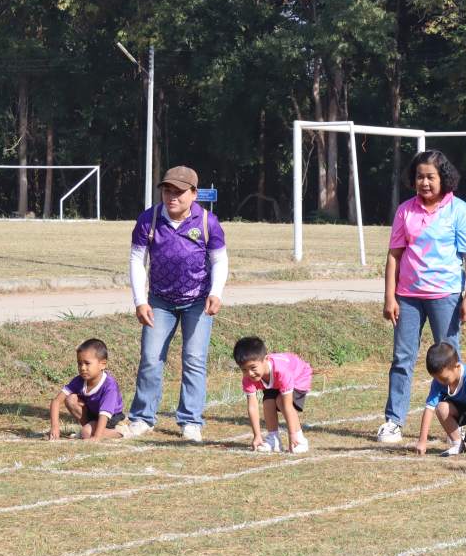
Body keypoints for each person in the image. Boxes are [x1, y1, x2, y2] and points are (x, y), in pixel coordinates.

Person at [377, 150, 466, 444]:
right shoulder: (405, 211)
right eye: (419, 176)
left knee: (450, 361)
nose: (424, 182)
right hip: (407, 297)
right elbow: (394, 256)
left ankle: (455, 425)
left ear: (443, 178)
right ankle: (393, 422)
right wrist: (389, 296)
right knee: (402, 359)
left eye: (430, 176)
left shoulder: (459, 211)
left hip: (445, 297)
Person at [122, 166, 227, 443]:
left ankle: (190, 421)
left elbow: (219, 261)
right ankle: (143, 418)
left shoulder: (208, 221)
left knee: (194, 360)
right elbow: (137, 260)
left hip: (198, 302)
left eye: (179, 192)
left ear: (194, 193)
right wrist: (140, 300)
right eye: (168, 190)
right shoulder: (149, 219)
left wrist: (216, 293)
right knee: (151, 358)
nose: (172, 197)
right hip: (159, 301)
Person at [233, 337, 313, 454]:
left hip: (299, 375)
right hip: (276, 382)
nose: (249, 373)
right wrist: (257, 435)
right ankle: (273, 439)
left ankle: (299, 439)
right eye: (243, 369)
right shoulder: (248, 378)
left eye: (253, 367)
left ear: (265, 360)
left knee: (281, 401)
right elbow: (253, 407)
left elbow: (288, 406)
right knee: (268, 403)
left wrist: (292, 435)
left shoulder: (282, 370)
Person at [48, 338, 125, 441]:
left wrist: (96, 437)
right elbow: (56, 402)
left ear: (103, 364)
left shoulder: (109, 385)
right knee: (70, 399)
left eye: (87, 363)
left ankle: (121, 432)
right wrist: (55, 426)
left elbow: (105, 413)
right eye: (79, 363)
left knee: (85, 433)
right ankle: (89, 428)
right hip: (94, 414)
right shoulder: (78, 380)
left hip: (110, 417)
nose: (82, 368)